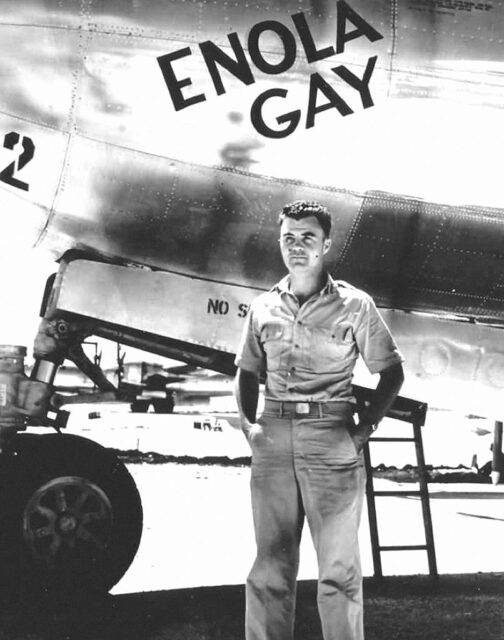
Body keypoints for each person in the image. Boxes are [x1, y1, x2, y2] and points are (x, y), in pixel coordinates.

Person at [234, 200, 404, 640]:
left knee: (338, 572)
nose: (296, 246)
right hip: (273, 437)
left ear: (326, 244)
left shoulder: (354, 305)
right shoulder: (262, 307)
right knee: (269, 568)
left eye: (307, 237)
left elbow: (392, 372)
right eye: (288, 237)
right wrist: (251, 428)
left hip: (332, 438)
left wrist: (363, 432)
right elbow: (247, 371)